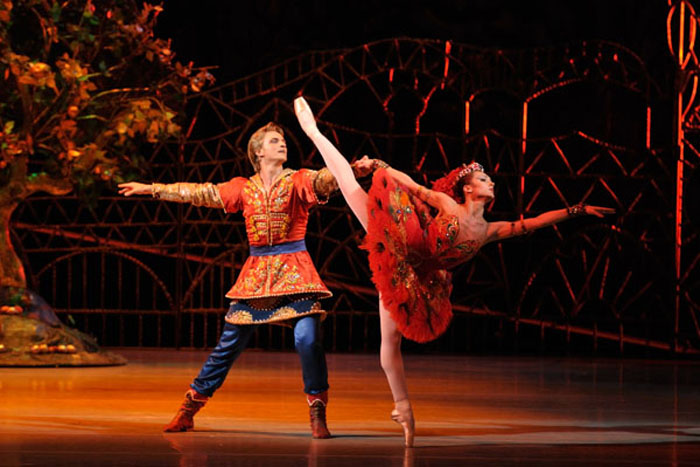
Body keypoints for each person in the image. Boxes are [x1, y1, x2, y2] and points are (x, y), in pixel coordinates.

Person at [293, 96, 614, 447]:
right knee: (350, 187)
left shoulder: (489, 230)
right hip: (402, 239)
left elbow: (533, 223)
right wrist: (380, 169)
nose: (492, 182)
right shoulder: (449, 205)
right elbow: (414, 187)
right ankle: (313, 131)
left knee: (391, 343)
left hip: (418, 278)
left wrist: (577, 210)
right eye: (484, 179)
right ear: (468, 188)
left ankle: (403, 410)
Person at [118, 122, 373, 438]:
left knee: (307, 340)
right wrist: (152, 189)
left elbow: (327, 179)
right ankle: (189, 408)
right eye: (274, 141)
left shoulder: (298, 180)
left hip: (296, 273)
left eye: (282, 140)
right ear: (258, 152)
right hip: (255, 277)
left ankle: (317, 410)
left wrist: (354, 170)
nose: (282, 144)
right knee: (228, 345)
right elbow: (201, 192)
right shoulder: (243, 188)